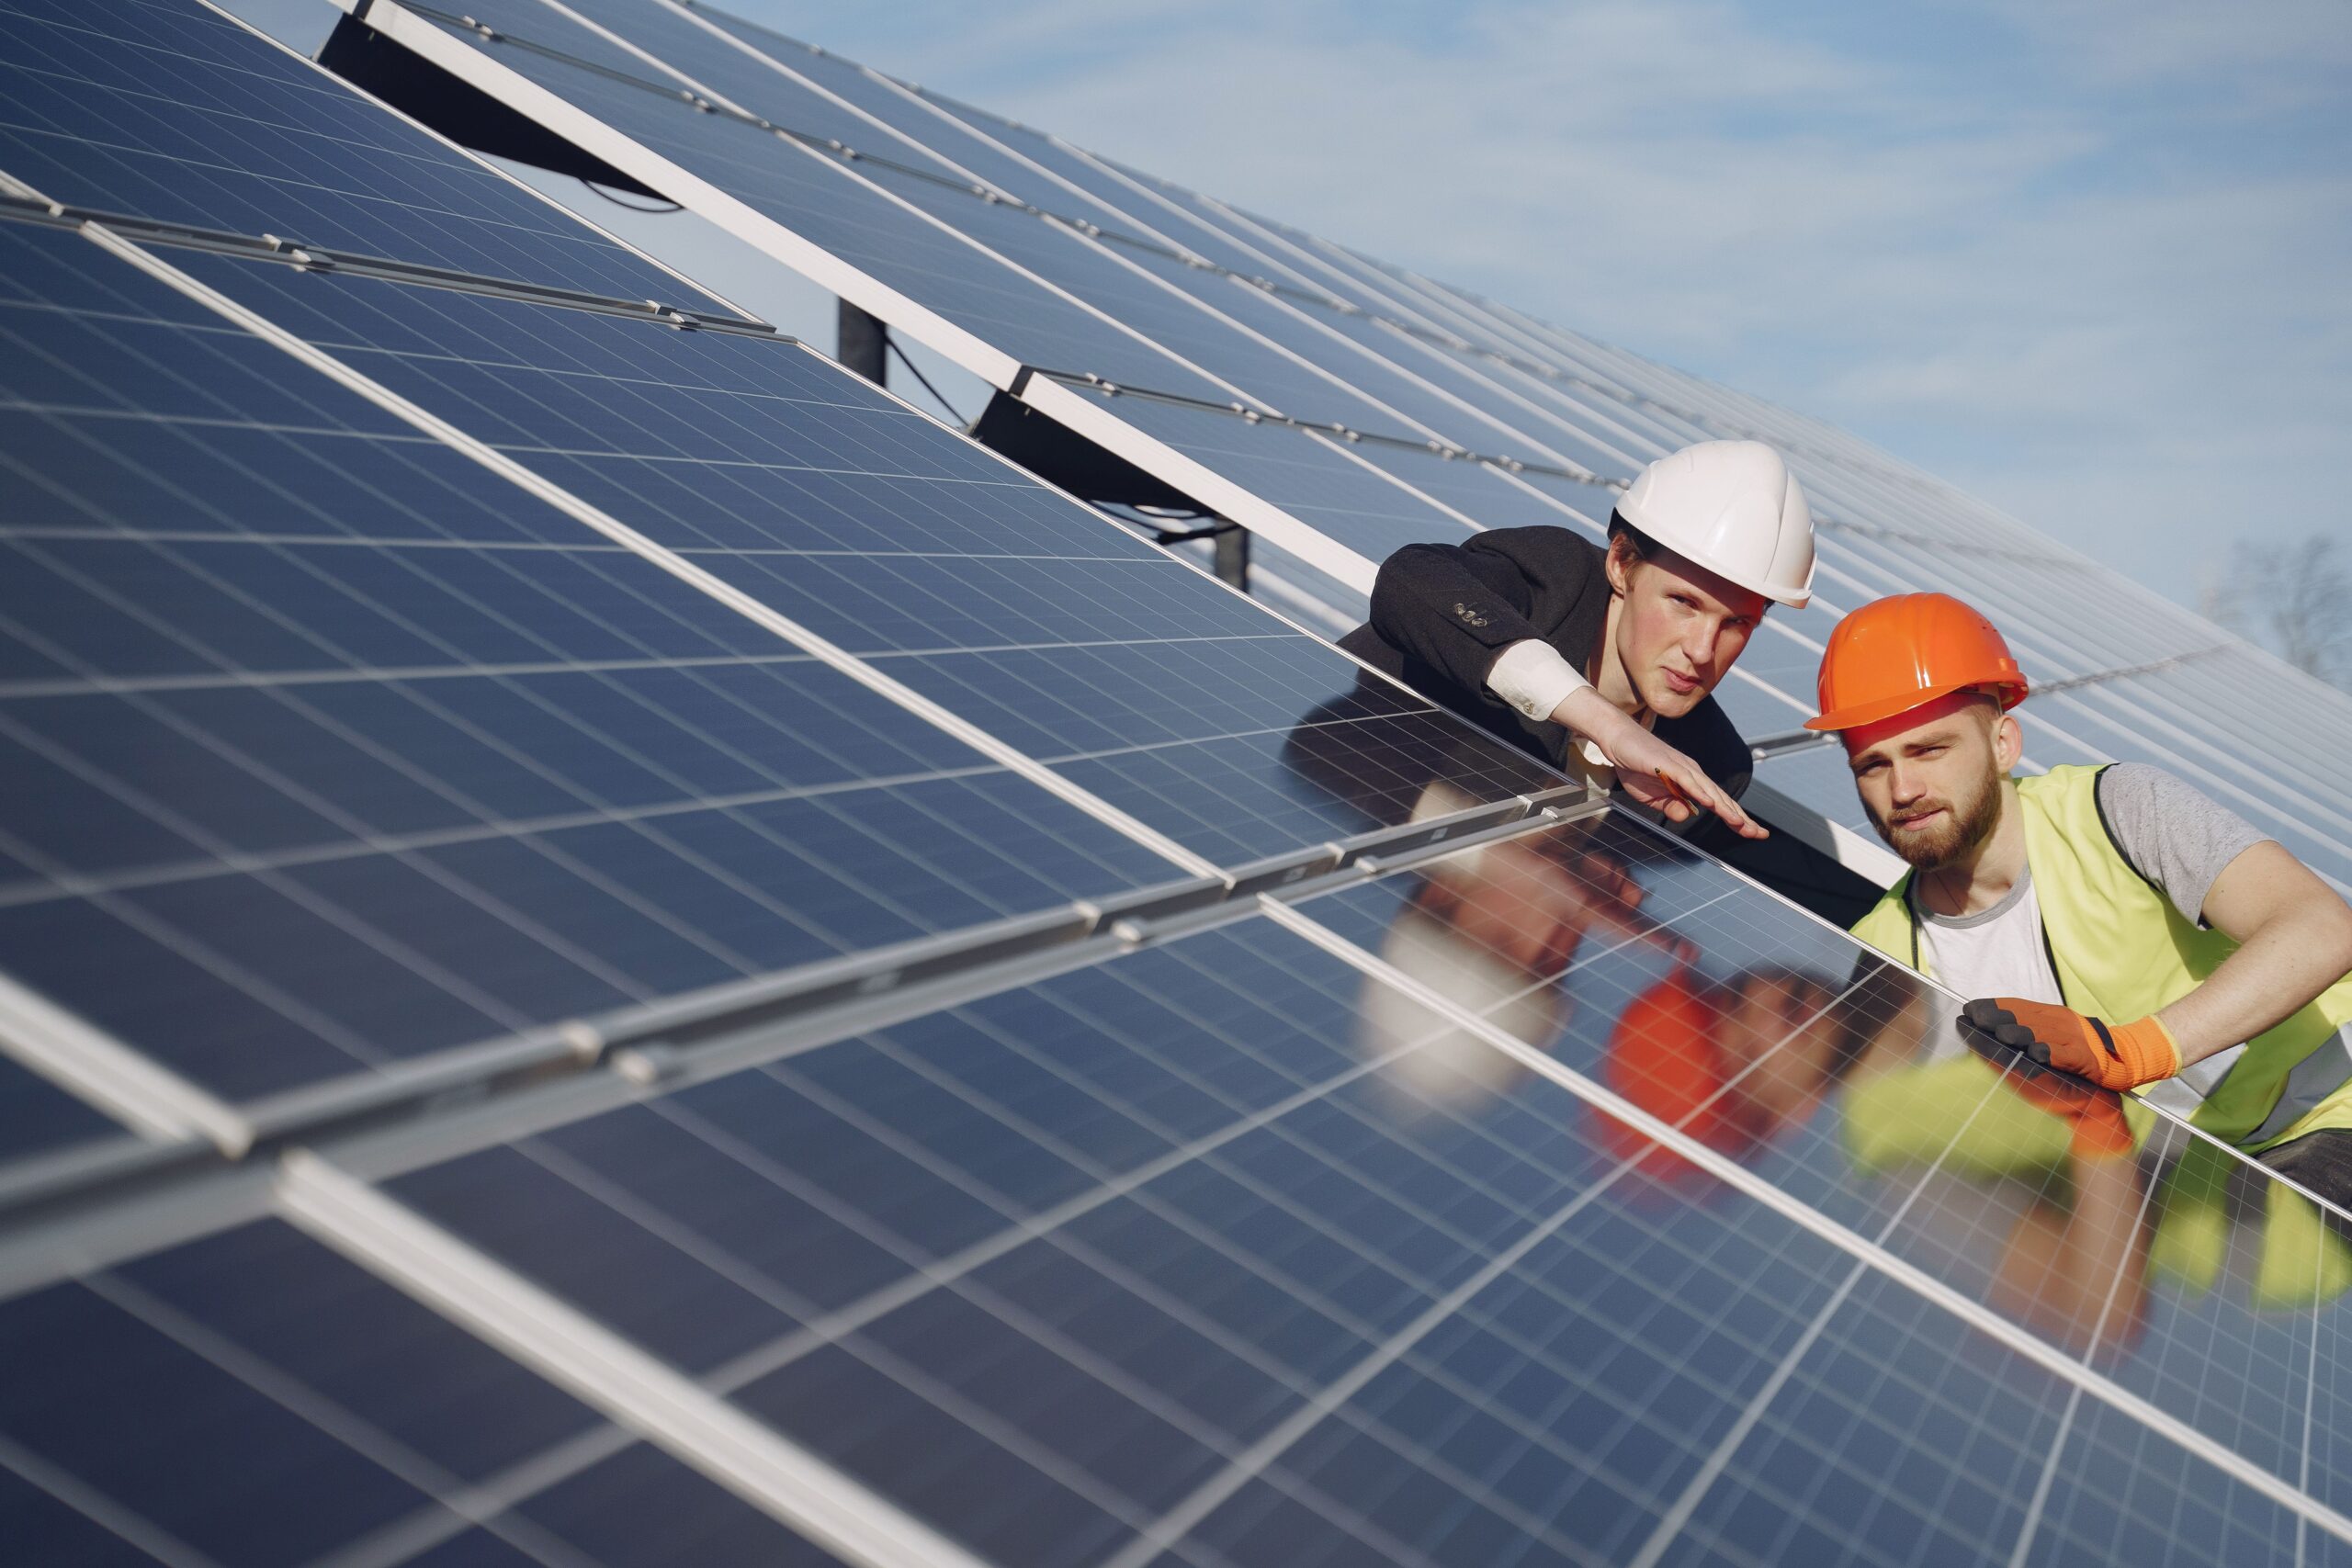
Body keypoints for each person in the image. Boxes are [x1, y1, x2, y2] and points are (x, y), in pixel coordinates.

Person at [1805, 591, 2352, 1207]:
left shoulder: (2116, 809)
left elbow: (2321, 926)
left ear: (2004, 743)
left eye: (1930, 749)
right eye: (1872, 765)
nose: (1902, 788)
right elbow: (1882, 1153)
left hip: (2333, 1110)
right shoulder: (1885, 955)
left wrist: (2132, 1051)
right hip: (2193, 1194)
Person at [1337, 438, 1815, 842]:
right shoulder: (1553, 579)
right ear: (1620, 564)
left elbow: (1606, 881)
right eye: (1683, 603)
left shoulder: (1715, 765)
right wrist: (1610, 727)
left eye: (1737, 623)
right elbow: (1412, 580)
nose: (1702, 650)